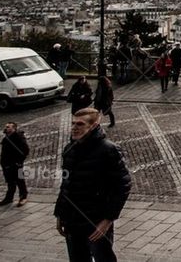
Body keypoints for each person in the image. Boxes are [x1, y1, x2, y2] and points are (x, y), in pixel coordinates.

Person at [55, 108, 132, 262]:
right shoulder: (69, 149)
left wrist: (108, 220)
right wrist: (60, 213)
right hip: (72, 219)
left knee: (103, 258)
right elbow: (66, 185)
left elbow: (123, 186)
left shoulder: (108, 149)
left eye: (80, 124)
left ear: (94, 125)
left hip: (96, 220)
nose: (74, 128)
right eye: (73, 123)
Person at [0, 122, 29, 207]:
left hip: (16, 164)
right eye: (6, 127)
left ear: (13, 128)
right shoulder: (6, 137)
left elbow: (25, 150)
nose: (6, 128)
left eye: (8, 127)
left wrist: (19, 161)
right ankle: (9, 198)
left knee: (20, 181)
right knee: (10, 181)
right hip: (7, 164)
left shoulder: (19, 138)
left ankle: (23, 196)